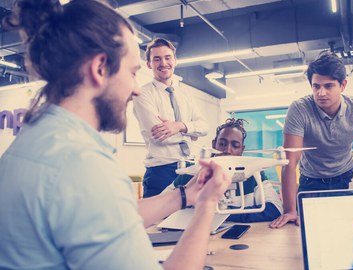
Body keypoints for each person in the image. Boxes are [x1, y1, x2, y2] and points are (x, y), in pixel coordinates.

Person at [0, 1, 230, 269]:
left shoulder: (34, 140)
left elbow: (107, 215)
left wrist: (185, 196)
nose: (136, 89)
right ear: (99, 69)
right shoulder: (83, 165)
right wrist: (207, 206)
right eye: (132, 73)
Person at [270, 51, 353, 228]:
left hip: (348, 178)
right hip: (311, 182)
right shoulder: (299, 109)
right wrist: (290, 210)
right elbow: (290, 162)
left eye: (329, 86)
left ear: (343, 85)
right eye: (316, 86)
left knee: (349, 229)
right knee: (305, 233)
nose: (321, 93)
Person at [164, 118, 283, 222]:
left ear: (242, 150)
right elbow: (162, 207)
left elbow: (275, 208)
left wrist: (224, 212)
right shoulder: (191, 174)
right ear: (214, 144)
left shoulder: (254, 175)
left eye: (235, 146)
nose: (228, 150)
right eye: (222, 144)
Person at [132, 37, 208, 198]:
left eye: (167, 58)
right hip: (161, 172)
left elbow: (204, 127)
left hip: (189, 168)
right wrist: (190, 132)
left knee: (187, 221)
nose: (163, 63)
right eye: (157, 59)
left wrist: (179, 126)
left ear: (175, 61)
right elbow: (161, 136)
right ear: (149, 64)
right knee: (158, 222)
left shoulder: (185, 94)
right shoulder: (142, 94)